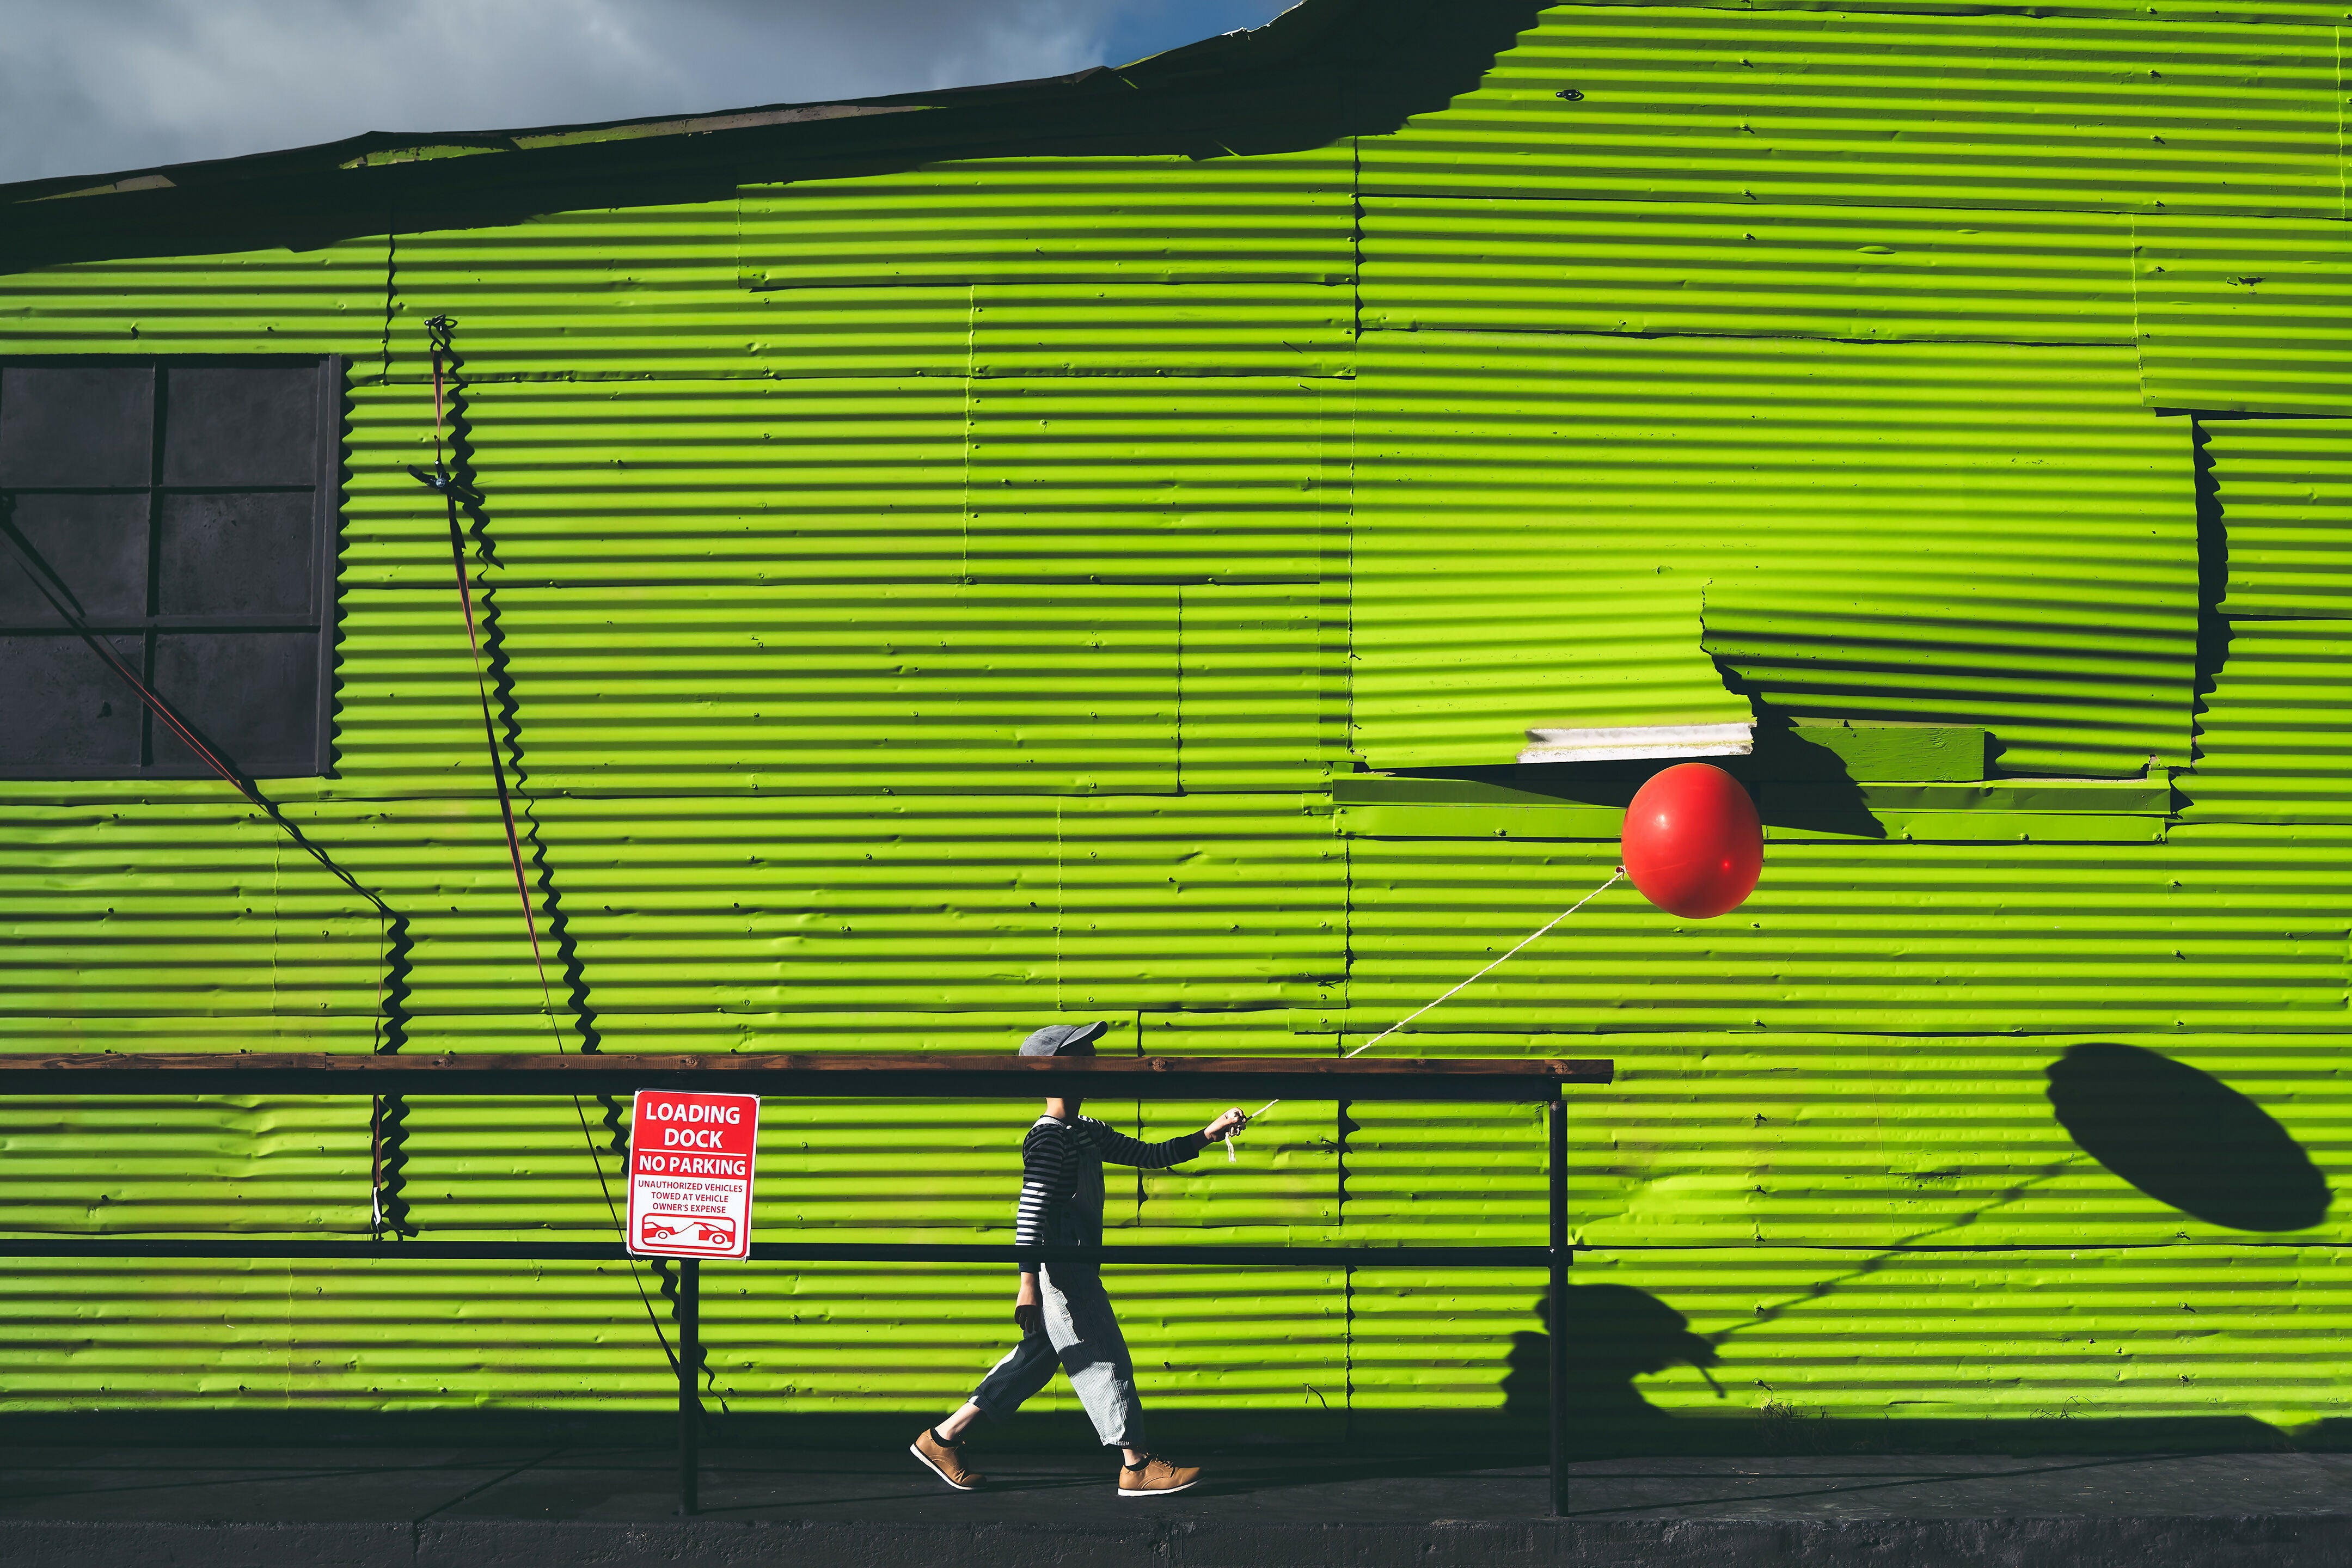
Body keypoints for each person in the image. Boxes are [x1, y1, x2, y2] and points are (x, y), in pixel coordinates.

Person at [910, 1020, 1248, 1498]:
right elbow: (1032, 1211)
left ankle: (942, 1439)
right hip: (1062, 1267)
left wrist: (1208, 1135)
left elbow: (1150, 1155)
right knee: (1103, 1356)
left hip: (1076, 1262)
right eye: (1084, 1055)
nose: (1095, 1062)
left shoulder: (1086, 1130)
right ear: (1055, 1071)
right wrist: (1028, 1282)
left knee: (1036, 1359)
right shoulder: (1051, 1138)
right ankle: (1136, 1465)